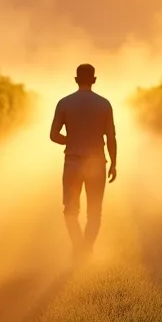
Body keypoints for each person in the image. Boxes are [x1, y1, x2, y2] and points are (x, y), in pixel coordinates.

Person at [49, 63, 117, 257]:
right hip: (97, 163)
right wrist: (114, 163)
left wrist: (70, 140)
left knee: (70, 209)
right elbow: (111, 137)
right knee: (95, 211)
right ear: (94, 80)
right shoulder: (104, 104)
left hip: (73, 163)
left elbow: (53, 135)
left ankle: (78, 245)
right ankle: (86, 247)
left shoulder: (64, 103)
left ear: (76, 80)